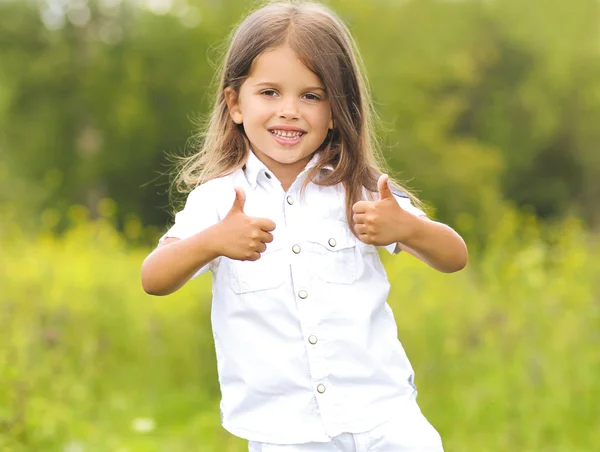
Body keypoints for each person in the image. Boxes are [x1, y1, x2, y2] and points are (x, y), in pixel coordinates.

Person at [141, 1, 468, 450]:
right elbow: (153, 278)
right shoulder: (220, 199)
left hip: (384, 419)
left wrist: (407, 228)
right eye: (270, 92)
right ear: (235, 103)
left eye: (311, 95)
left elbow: (455, 257)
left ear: (336, 111)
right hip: (284, 434)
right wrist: (213, 242)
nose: (290, 111)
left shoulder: (360, 188)